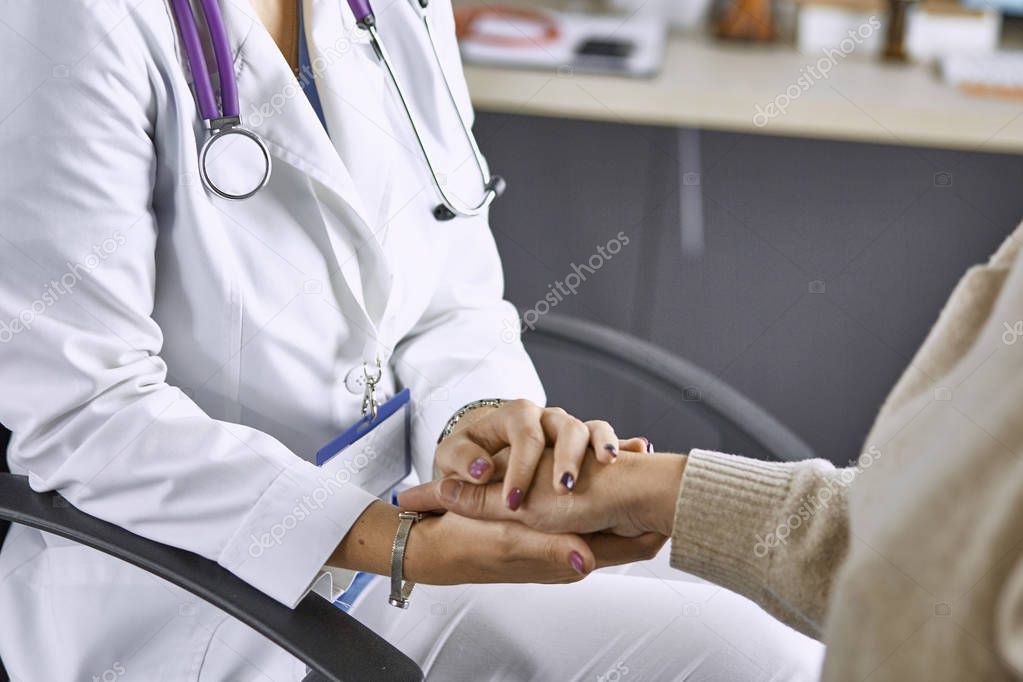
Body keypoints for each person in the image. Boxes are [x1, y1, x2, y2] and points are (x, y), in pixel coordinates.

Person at [0, 0, 822, 679]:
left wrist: (488, 435)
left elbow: (450, 302)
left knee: (799, 649)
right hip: (196, 605)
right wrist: (396, 545)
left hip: (412, 533)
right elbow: (87, 411)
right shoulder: (65, 18)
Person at [401, 222, 1023, 681]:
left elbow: (940, 580)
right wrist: (642, 486)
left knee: (779, 661)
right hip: (340, 573)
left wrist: (643, 487)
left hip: (437, 520)